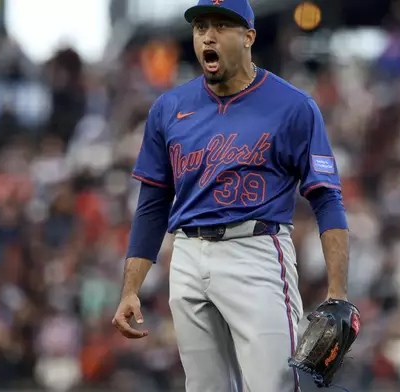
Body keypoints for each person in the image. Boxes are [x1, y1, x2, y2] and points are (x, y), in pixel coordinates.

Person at [112, 0, 351, 390]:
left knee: (273, 384)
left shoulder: (293, 106)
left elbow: (326, 199)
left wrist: (338, 292)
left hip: (255, 251)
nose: (208, 35)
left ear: (248, 37)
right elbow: (153, 203)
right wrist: (131, 289)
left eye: (222, 26)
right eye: (201, 26)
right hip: (187, 255)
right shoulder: (169, 108)